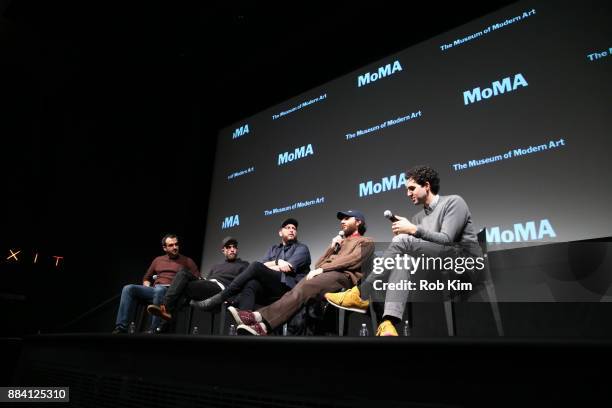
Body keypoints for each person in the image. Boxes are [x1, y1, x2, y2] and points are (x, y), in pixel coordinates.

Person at [325, 165, 481, 336]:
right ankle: (388, 324)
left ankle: (362, 293)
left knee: (401, 241)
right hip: (434, 268)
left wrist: (413, 230)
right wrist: (409, 231)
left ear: (427, 186)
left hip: (463, 263)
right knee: (402, 261)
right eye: (407, 189)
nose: (408, 193)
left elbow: (447, 240)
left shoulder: (453, 202)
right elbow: (420, 250)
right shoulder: (418, 218)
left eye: (412, 188)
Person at [229, 210, 374, 336]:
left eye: (347, 218)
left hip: (344, 277)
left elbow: (353, 260)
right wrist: (331, 248)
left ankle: (258, 316)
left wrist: (322, 270)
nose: (342, 221)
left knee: (304, 287)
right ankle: (262, 326)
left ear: (358, 222)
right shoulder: (339, 244)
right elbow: (318, 264)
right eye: (341, 219)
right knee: (298, 290)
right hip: (325, 275)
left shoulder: (366, 241)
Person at [191, 218, 311, 312]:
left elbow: (286, 267)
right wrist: (276, 262)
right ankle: (245, 323)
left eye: (294, 228)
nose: (291, 230)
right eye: (288, 227)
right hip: (272, 286)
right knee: (251, 284)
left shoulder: (302, 248)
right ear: (280, 232)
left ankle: (220, 297)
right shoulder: (274, 249)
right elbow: (264, 265)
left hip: (289, 287)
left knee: (254, 266)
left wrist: (271, 266)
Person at [146, 236, 249, 322]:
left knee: (183, 282)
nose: (232, 249)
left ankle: (166, 308)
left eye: (234, 247)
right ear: (223, 250)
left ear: (237, 249)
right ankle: (165, 321)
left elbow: (244, 285)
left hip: (220, 289)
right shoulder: (216, 266)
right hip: (208, 285)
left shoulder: (244, 265)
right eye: (228, 247)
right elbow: (206, 282)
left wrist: (232, 300)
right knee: (183, 274)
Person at [112, 234, 199, 334]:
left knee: (159, 290)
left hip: (172, 293)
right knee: (128, 288)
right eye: (171, 245)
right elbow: (146, 278)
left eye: (176, 244)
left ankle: (154, 330)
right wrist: (148, 287)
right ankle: (121, 327)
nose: (175, 247)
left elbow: (197, 279)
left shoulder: (187, 261)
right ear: (164, 248)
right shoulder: (158, 260)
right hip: (155, 289)